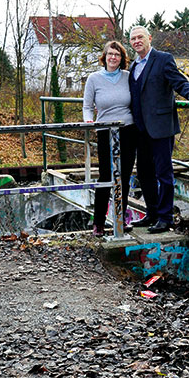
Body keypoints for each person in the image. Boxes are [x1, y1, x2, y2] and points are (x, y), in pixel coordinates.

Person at [128, 26, 189, 233]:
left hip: (161, 127)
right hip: (140, 129)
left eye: (140, 37)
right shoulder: (134, 66)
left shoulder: (163, 59)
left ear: (149, 38)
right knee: (144, 173)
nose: (136, 41)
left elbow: (179, 81)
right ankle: (151, 213)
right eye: (133, 39)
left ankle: (165, 217)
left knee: (163, 173)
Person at [83, 40, 139, 237]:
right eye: (110, 54)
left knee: (123, 176)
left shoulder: (128, 77)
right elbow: (87, 106)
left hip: (128, 130)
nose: (113, 57)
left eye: (117, 54)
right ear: (104, 57)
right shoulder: (94, 79)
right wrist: (89, 121)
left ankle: (120, 218)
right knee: (106, 175)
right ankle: (98, 222)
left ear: (122, 58)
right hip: (105, 130)